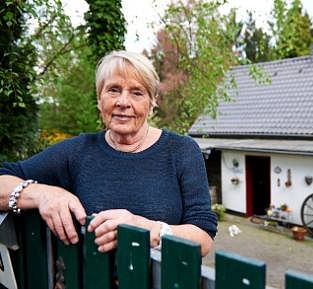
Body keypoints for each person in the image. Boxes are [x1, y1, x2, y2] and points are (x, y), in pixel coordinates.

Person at [0, 50, 217, 256]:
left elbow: (204, 238)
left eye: (137, 92)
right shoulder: (77, 152)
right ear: (99, 99)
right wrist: (43, 194)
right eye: (113, 90)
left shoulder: (181, 151)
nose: (123, 102)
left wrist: (147, 229)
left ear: (152, 103)